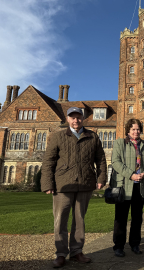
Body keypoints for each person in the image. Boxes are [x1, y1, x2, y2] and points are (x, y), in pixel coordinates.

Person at [41, 107, 107, 268]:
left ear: (83, 118)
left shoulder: (92, 136)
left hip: (85, 182)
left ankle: (77, 251)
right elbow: (48, 161)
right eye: (73, 118)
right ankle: (61, 254)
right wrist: (47, 183)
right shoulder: (58, 136)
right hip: (63, 184)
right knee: (60, 220)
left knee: (79, 220)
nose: (76, 120)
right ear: (67, 119)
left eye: (78, 117)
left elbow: (101, 160)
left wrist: (101, 178)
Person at [111, 118, 144, 257]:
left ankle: (135, 244)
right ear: (128, 130)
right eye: (133, 129)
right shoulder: (120, 143)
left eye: (138, 129)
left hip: (140, 186)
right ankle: (118, 246)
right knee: (121, 218)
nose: (136, 131)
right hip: (124, 185)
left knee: (137, 218)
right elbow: (115, 162)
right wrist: (131, 175)